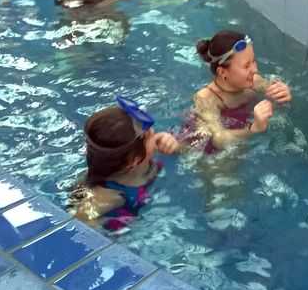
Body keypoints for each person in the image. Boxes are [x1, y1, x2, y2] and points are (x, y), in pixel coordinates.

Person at [68, 97, 180, 233]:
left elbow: (191, 147)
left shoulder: (140, 158)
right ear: (133, 161)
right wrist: (103, 230)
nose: (155, 133)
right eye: (150, 135)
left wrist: (174, 145)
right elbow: (77, 223)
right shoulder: (108, 195)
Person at [188, 29, 292, 152]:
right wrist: (254, 129)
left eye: (253, 61)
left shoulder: (255, 81)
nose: (255, 69)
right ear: (222, 72)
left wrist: (283, 94)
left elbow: (282, 101)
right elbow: (219, 138)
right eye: (246, 66)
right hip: (211, 153)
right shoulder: (206, 98)